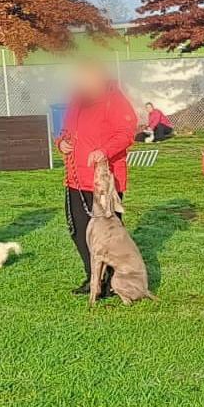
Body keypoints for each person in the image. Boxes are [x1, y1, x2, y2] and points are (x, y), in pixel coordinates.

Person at [55, 61, 139, 296]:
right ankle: (93, 279)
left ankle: (115, 279)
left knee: (109, 233)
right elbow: (66, 130)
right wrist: (61, 143)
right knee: (79, 230)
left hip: (104, 180)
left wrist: (104, 151)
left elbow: (126, 134)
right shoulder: (76, 100)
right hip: (76, 178)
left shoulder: (115, 99)